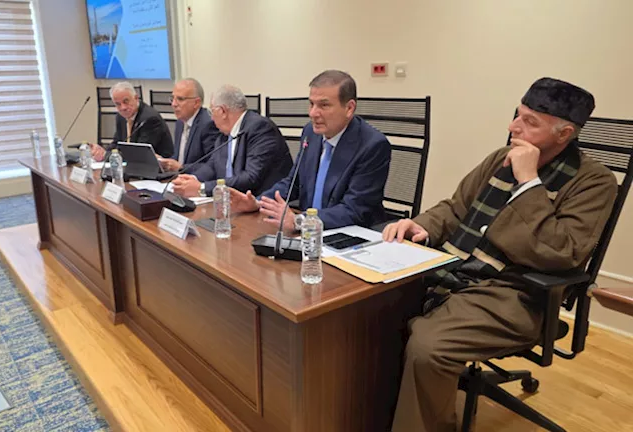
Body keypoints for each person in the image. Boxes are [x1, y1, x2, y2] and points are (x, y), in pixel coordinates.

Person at [385, 77, 617, 432]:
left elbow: (561, 251)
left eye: (530, 121)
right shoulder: (499, 158)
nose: (514, 126)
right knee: (368, 310)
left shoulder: (594, 182)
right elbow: (456, 208)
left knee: (430, 347)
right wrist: (421, 225)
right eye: (517, 115)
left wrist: (529, 182)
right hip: (456, 266)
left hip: (516, 292)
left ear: (565, 133)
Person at [229, 70, 392, 231]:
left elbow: (354, 210)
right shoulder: (310, 133)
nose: (313, 113)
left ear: (349, 108)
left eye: (324, 105)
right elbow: (293, 182)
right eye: (311, 104)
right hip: (307, 234)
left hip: (349, 235)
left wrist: (300, 221)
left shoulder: (372, 145)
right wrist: (258, 202)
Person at [172, 85, 292, 197]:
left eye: (212, 111)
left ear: (223, 111)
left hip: (262, 201)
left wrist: (202, 188)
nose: (211, 118)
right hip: (231, 201)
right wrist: (192, 180)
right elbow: (212, 166)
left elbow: (250, 177)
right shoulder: (224, 134)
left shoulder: (260, 128)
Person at [91, 82, 174, 161]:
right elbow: (117, 143)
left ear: (136, 98)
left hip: (158, 167)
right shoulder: (121, 116)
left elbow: (138, 154)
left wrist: (106, 155)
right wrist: (102, 152)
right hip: (134, 165)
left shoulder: (150, 119)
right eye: (118, 104)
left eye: (126, 102)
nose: (123, 107)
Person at [158, 78, 222, 174]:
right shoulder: (180, 122)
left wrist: (181, 167)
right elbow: (178, 158)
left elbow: (212, 165)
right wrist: (163, 162)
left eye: (180, 99)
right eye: (172, 99)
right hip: (178, 177)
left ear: (196, 103)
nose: (174, 104)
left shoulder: (208, 125)